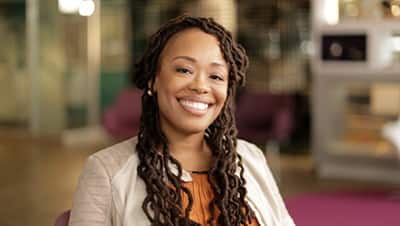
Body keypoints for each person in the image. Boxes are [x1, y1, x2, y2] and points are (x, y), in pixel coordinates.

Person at [68, 15, 295, 226]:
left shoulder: (250, 158)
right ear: (153, 80)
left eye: (215, 76)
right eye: (184, 70)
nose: (200, 86)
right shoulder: (106, 171)